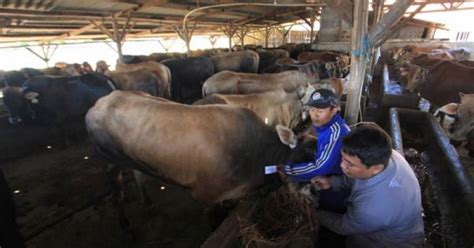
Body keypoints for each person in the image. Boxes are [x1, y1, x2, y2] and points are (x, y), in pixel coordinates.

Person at [312, 124, 425, 248]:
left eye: (350, 164)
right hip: (398, 223)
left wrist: (314, 213)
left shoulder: (372, 209)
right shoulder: (388, 156)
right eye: (343, 158)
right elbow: (361, 177)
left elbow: (343, 226)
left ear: (376, 168)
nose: (342, 166)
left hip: (388, 243)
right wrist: (332, 182)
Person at [280, 88, 350, 212]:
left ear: (334, 110)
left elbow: (321, 167)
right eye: (312, 110)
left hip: (338, 189)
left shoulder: (335, 133)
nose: (315, 115)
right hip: (333, 179)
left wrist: (288, 170)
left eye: (320, 111)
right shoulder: (327, 127)